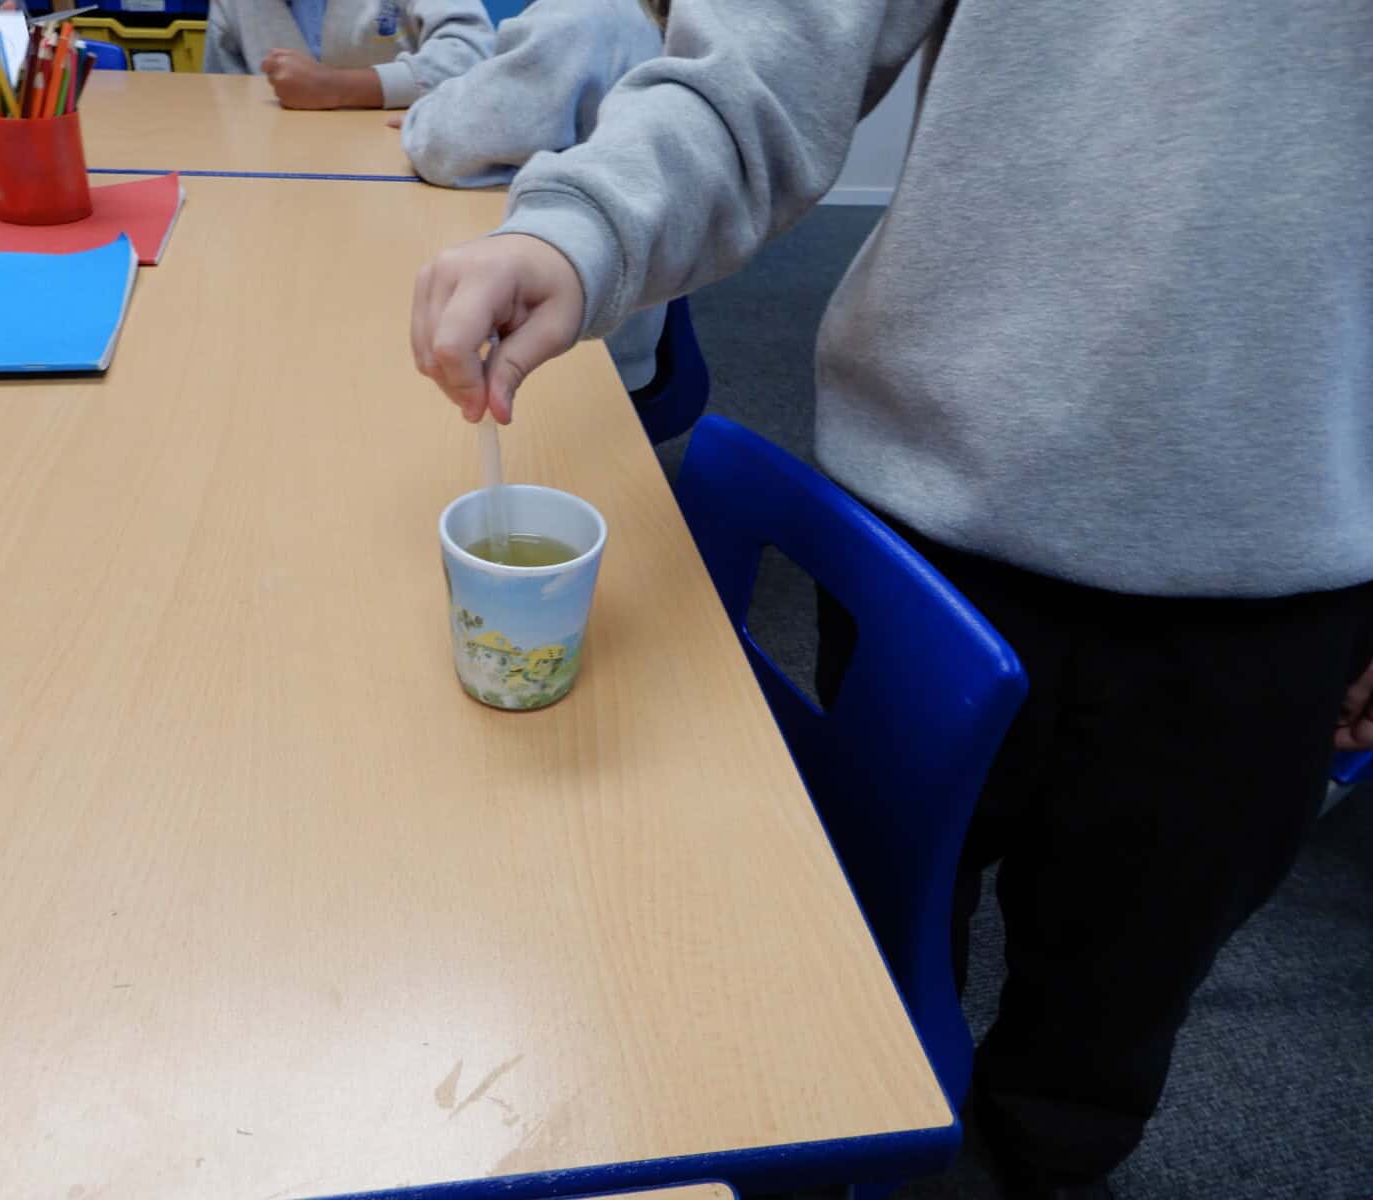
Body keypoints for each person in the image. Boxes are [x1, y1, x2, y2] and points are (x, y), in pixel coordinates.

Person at [406, 2, 1373, 1197]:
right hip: (928, 518)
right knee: (859, 943)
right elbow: (760, 59)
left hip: (1275, 574)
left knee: (1100, 1043)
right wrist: (579, 227)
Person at [398, 0, 667, 393]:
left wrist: (423, 109)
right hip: (622, 318)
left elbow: (446, 143)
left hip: (579, 359)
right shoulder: (631, 14)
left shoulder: (579, 18)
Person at [203, 0, 492, 112]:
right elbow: (221, 104)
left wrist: (337, 88)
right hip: (275, 171)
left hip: (402, 167)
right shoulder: (233, 6)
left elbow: (475, 57)